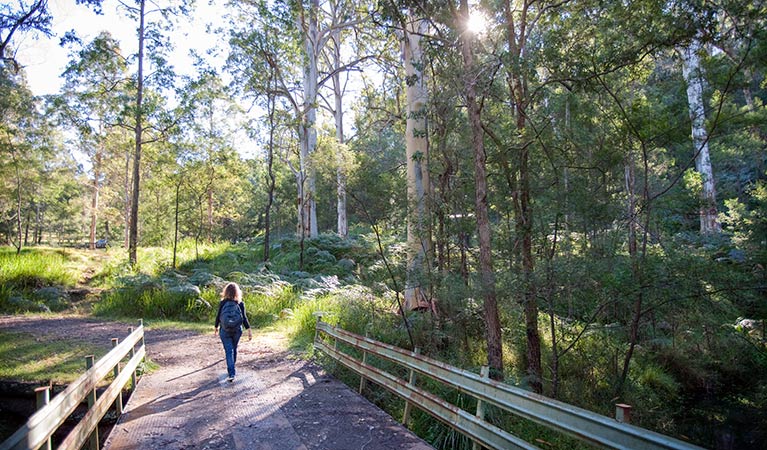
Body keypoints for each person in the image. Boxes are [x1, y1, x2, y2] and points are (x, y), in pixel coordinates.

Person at [214, 282, 252, 382]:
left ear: (225, 292)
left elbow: (218, 316)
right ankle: (232, 369)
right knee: (234, 349)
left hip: (224, 330)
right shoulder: (240, 303)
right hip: (237, 330)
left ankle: (231, 372)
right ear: (237, 292)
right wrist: (249, 330)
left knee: (228, 350)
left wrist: (216, 327)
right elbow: (244, 318)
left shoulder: (223, 303)